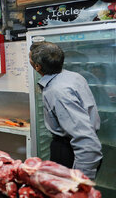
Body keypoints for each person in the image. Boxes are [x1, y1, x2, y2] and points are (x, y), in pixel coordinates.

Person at [29, 41, 103, 180]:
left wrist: (80, 183)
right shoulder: (72, 76)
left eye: (30, 60)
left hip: (71, 152)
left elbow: (86, 140)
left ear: (37, 66)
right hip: (73, 146)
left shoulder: (57, 91)